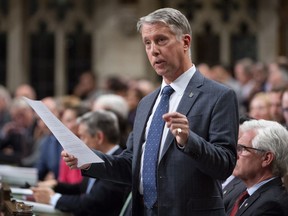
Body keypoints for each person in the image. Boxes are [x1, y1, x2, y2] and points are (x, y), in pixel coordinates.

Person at [62, 8, 239, 216]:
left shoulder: (219, 96)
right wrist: (88, 159)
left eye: (161, 40)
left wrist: (189, 141)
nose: (153, 50)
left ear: (185, 42)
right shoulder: (147, 103)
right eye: (147, 42)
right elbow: (131, 165)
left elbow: (225, 165)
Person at [32, 110, 130, 216]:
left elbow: (91, 203)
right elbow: (83, 188)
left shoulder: (119, 165)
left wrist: (52, 198)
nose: (81, 143)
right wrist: (56, 185)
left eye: (83, 137)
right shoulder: (99, 160)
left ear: (99, 137)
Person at [226, 119, 288, 216]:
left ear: (266, 158)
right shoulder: (242, 192)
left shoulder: (272, 205)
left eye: (242, 149)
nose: (235, 155)